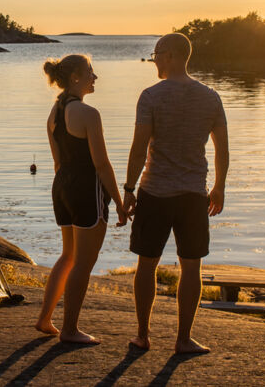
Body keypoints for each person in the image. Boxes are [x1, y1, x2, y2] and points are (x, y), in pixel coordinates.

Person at [123, 32, 229, 354]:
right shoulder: (210, 97)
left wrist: (128, 190)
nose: (153, 59)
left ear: (169, 55)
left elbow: (139, 149)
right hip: (193, 195)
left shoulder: (151, 96)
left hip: (154, 192)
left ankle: (143, 335)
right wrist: (219, 187)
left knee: (147, 265)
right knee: (191, 267)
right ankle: (183, 339)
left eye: (156, 53)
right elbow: (222, 149)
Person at [35, 54, 127, 345]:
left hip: (62, 188)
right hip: (87, 191)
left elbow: (57, 162)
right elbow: (102, 164)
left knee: (68, 256)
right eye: (90, 71)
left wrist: (68, 189)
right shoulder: (89, 115)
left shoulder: (54, 113)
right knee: (83, 263)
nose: (94, 77)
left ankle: (45, 319)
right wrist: (121, 203)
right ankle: (70, 330)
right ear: (75, 77)